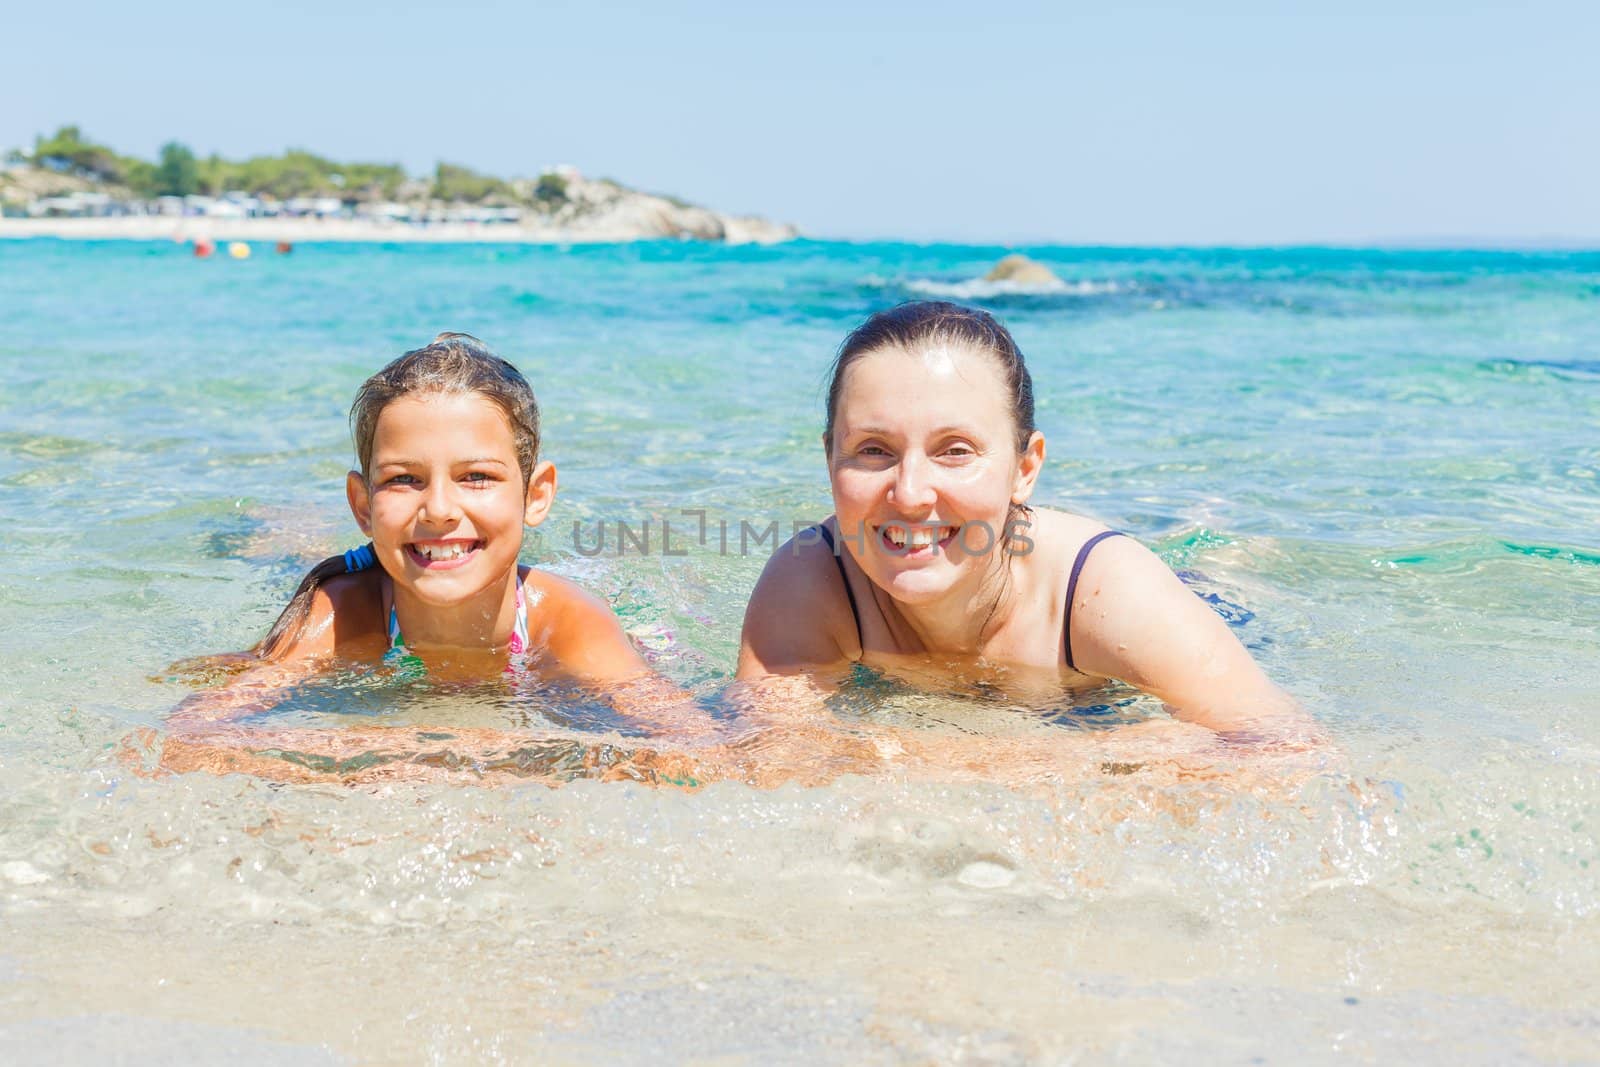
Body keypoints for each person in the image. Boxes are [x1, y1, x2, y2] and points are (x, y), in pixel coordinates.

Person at [738, 301, 1317, 742]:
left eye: (955, 450)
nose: (910, 494)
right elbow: (770, 765)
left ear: (1025, 467)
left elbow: (1287, 755)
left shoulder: (1104, 592)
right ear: (829, 458)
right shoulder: (812, 579)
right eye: (872, 450)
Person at [171, 333, 702, 736]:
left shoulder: (566, 622)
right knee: (286, 557)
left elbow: (697, 743)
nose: (440, 509)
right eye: (404, 479)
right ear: (362, 505)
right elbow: (191, 734)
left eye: (477, 477)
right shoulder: (343, 615)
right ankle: (275, 526)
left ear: (535, 495)